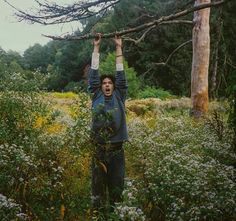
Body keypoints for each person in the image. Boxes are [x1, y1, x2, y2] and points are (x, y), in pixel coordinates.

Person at [88, 33, 128, 212]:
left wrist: (118, 47)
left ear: (113, 86)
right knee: (97, 190)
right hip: (98, 150)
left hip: (117, 151)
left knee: (116, 190)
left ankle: (115, 215)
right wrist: (96, 47)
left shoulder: (119, 96)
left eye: (109, 83)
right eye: (103, 83)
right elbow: (93, 75)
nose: (106, 85)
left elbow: (121, 76)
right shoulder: (96, 96)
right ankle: (98, 215)